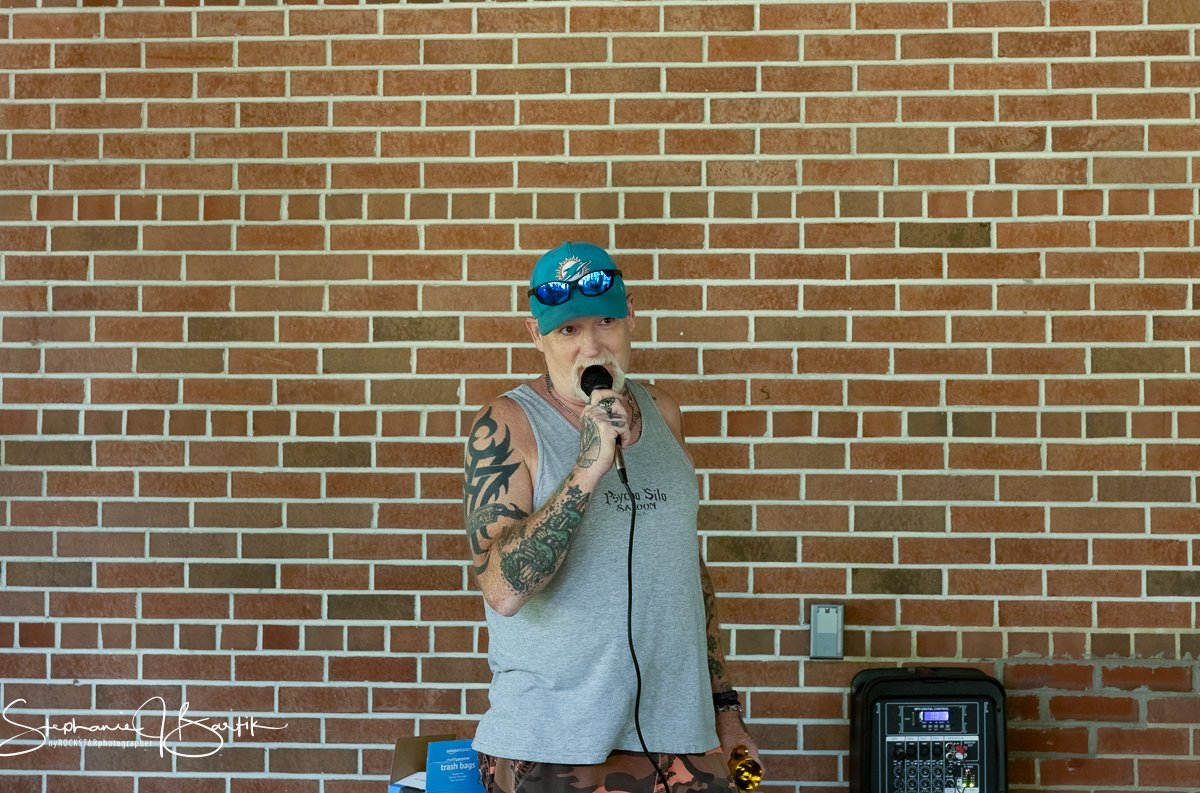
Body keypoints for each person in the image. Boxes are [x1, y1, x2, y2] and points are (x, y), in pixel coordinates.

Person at [463, 241, 763, 793]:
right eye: (568, 330)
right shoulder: (507, 424)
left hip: (681, 737)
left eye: (606, 322)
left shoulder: (664, 413)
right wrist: (587, 469)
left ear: (631, 318)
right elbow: (503, 590)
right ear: (536, 336)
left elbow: (687, 573)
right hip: (555, 745)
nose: (592, 345)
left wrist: (725, 708)